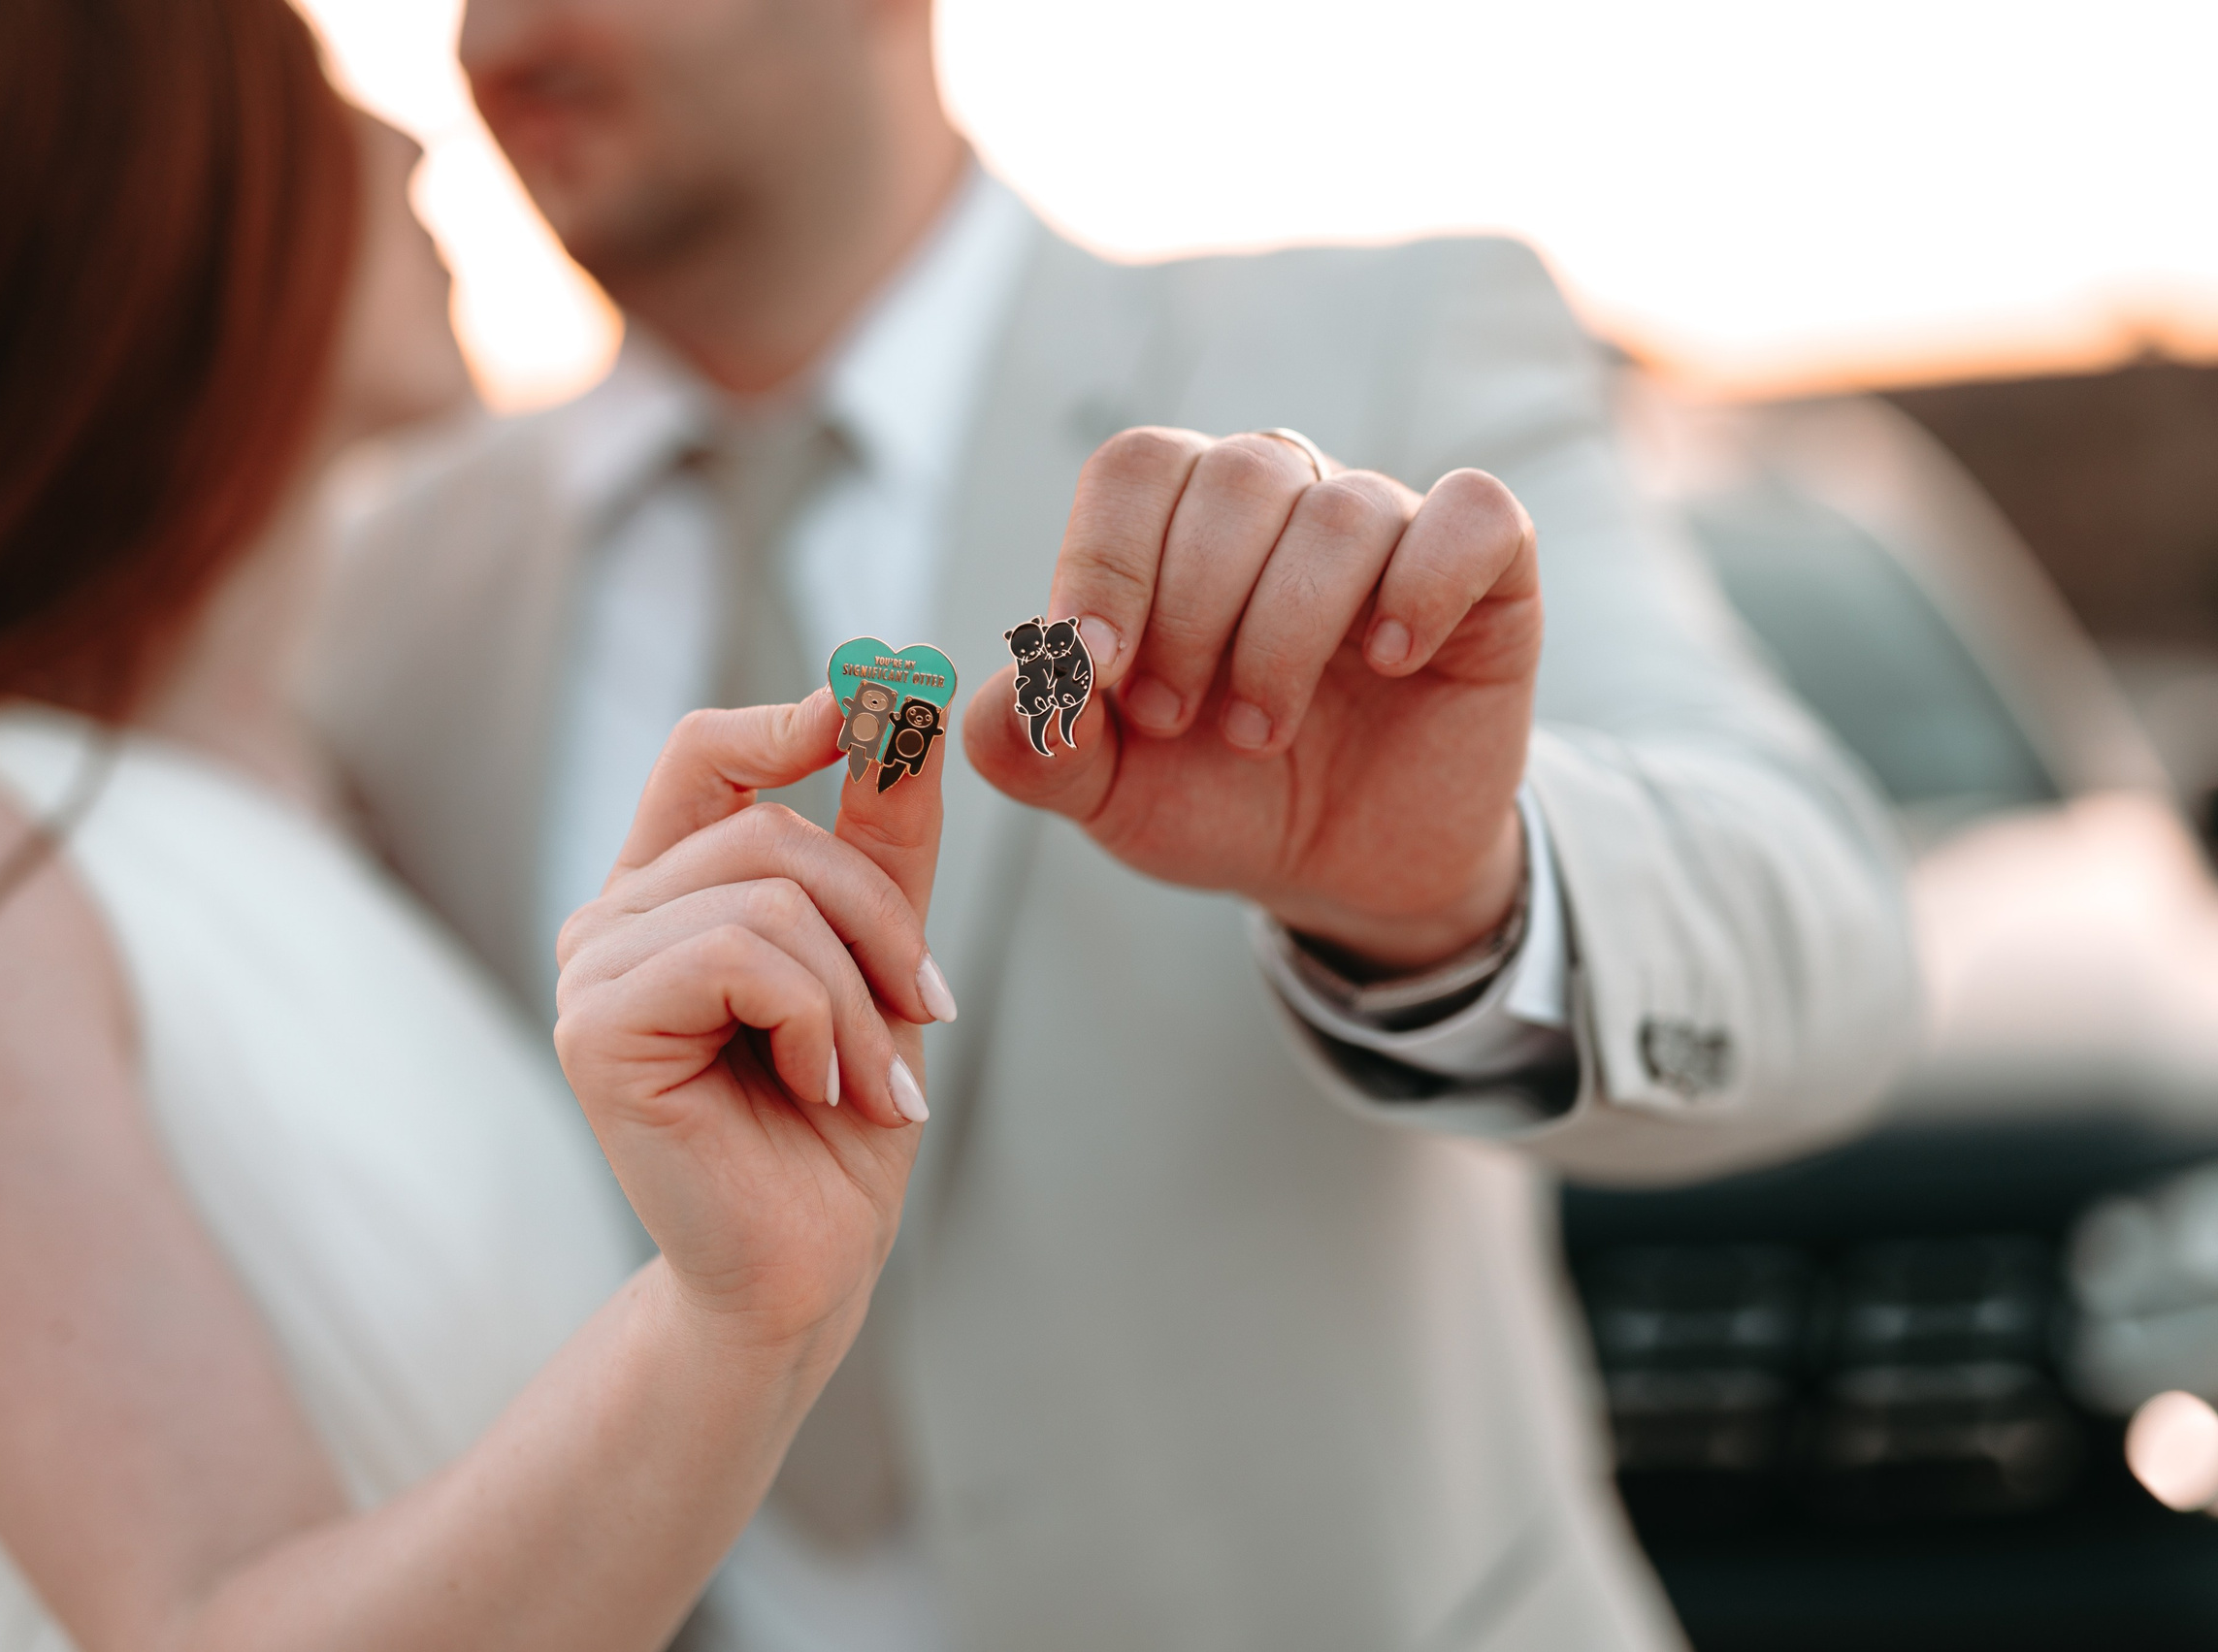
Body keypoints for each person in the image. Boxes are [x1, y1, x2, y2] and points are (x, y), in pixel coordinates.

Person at [310, 3, 1922, 1648]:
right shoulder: (388, 588)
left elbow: (1832, 939)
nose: (492, 32)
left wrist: (1455, 894)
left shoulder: (1386, 347)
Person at [0, 2, 951, 1646]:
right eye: (311, 102)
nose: (405, 142)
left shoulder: (322, 806)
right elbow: (207, 1616)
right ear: (122, 203)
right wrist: (738, 1323)